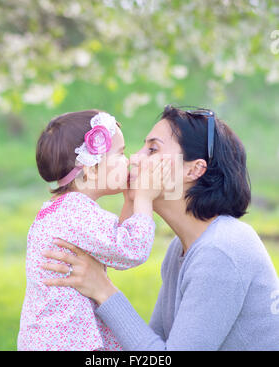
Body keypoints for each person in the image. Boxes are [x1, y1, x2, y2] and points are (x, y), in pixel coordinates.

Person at [43, 105, 279, 351]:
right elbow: (154, 345)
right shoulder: (182, 248)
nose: (134, 158)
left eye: (152, 149)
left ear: (194, 169)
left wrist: (103, 289)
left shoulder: (221, 250)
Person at [17, 109, 169, 351]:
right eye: (119, 154)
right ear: (91, 169)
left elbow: (115, 249)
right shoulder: (78, 212)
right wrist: (144, 199)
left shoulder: (60, 210)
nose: (128, 160)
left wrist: (129, 202)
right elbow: (131, 250)